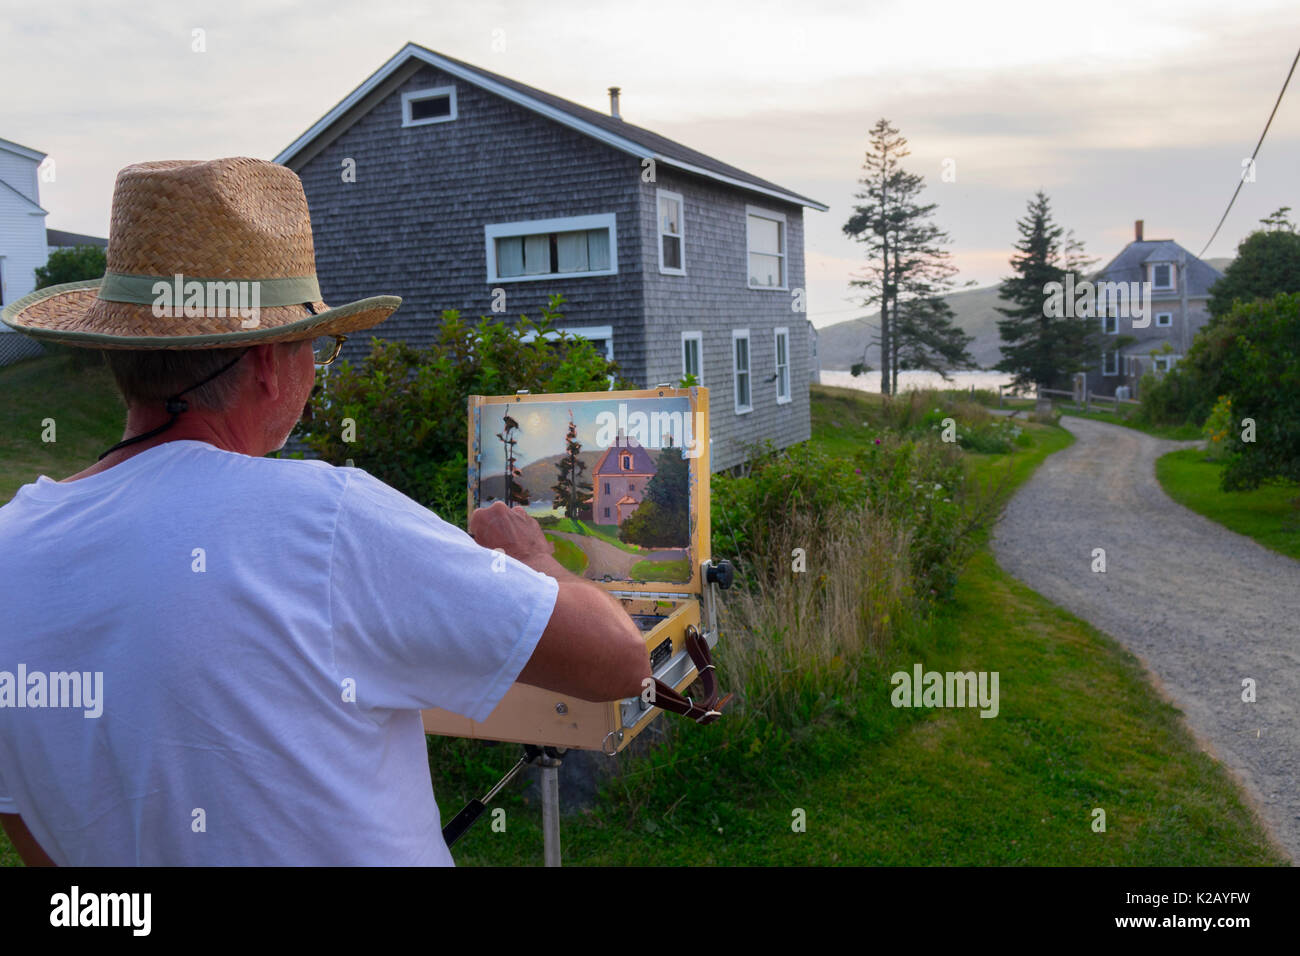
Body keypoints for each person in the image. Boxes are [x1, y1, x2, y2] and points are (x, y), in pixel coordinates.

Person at [0, 157, 650, 866]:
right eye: (320, 347)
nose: (316, 370)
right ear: (270, 365)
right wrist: (533, 557)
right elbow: (618, 664)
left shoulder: (12, 549)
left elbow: (31, 828)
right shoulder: (327, 520)